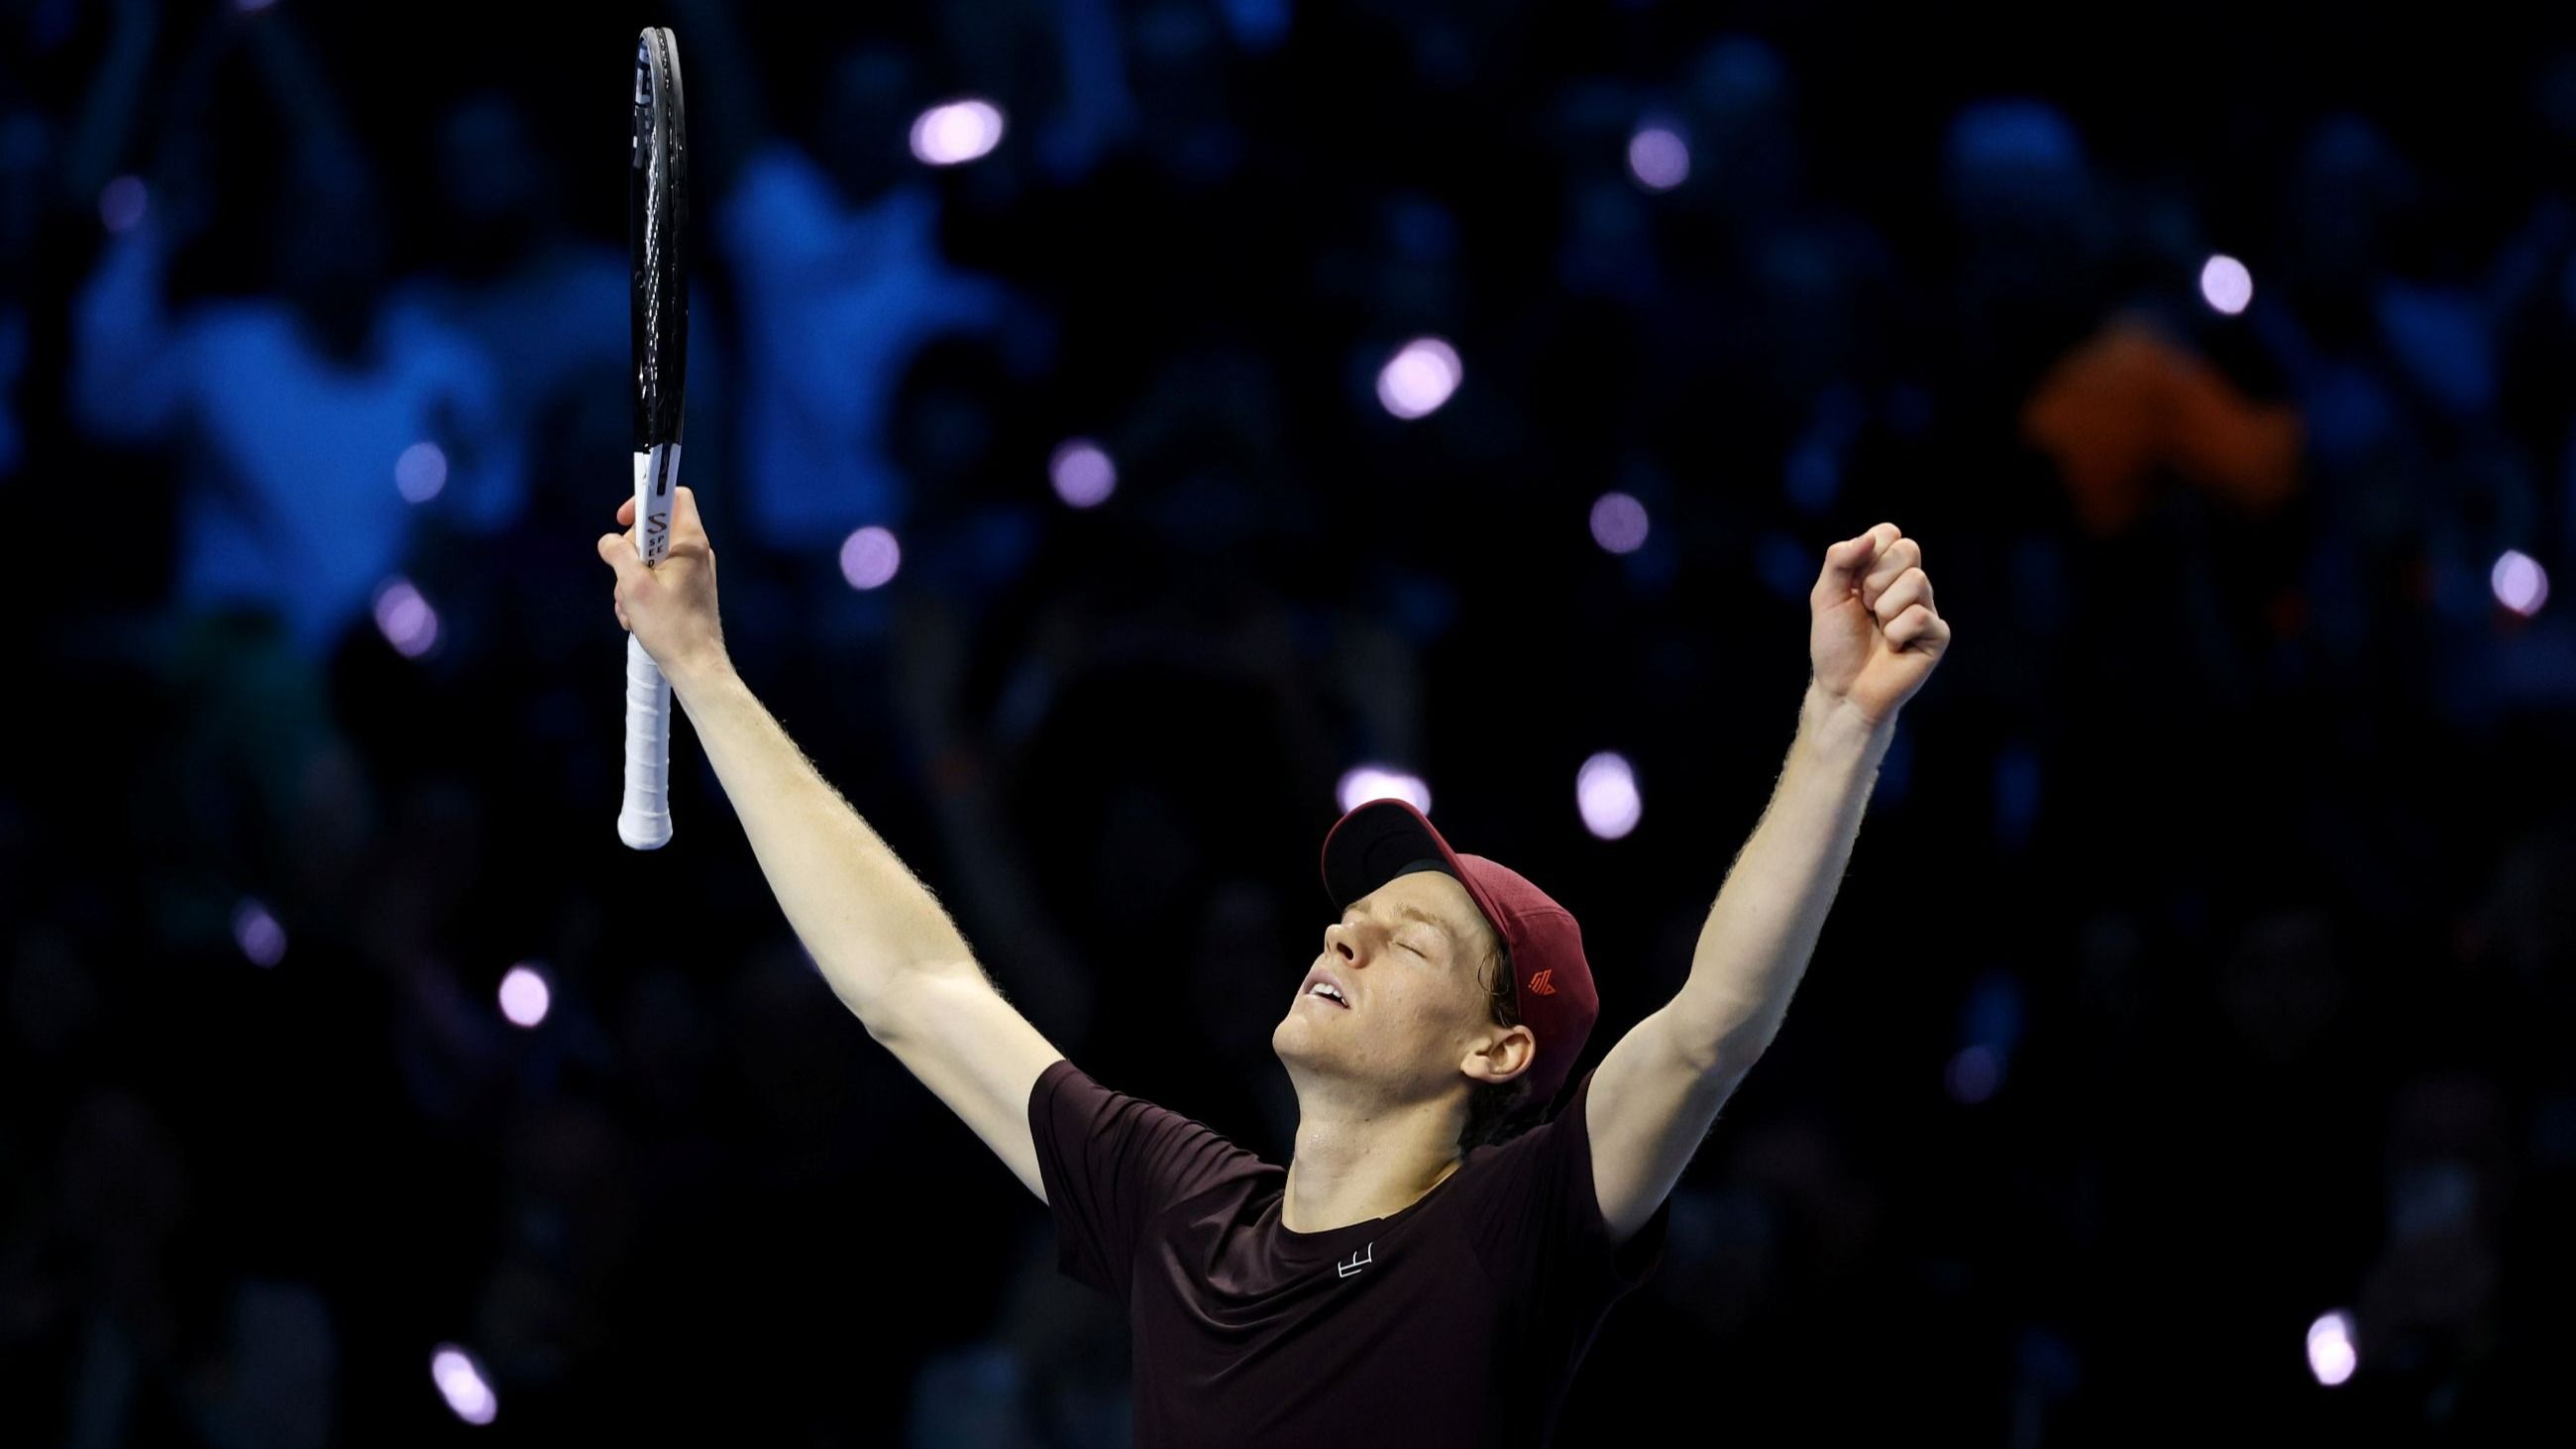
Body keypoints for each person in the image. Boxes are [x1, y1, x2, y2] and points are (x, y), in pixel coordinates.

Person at [593, 488, 1950, 1445]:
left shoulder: (1508, 1233)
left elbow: (1709, 1030)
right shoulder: (1181, 1203)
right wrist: (706, 670)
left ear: (1498, 1049)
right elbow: (912, 988)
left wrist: (1838, 727)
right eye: (1353, 912)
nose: (1342, 929)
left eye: (1411, 934)